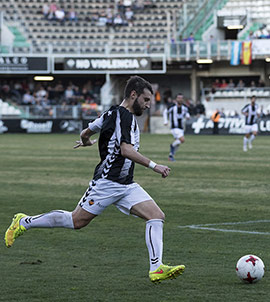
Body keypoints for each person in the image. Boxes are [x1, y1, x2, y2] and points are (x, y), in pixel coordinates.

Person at [4, 76, 185, 283]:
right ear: (133, 95)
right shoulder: (123, 116)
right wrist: (155, 166)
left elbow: (85, 132)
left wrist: (86, 141)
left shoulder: (110, 113)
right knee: (76, 221)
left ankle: (157, 267)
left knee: (156, 215)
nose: (148, 104)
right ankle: (24, 221)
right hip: (106, 182)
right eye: (145, 99)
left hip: (126, 184)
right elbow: (125, 150)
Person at [163, 93, 190, 161]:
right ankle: (172, 146)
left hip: (181, 128)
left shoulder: (184, 107)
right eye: (179, 98)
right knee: (182, 140)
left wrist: (187, 116)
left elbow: (186, 113)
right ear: (176, 99)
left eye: (181, 98)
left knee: (178, 143)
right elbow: (165, 112)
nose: (180, 99)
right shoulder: (172, 106)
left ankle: (171, 155)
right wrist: (165, 121)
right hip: (174, 127)